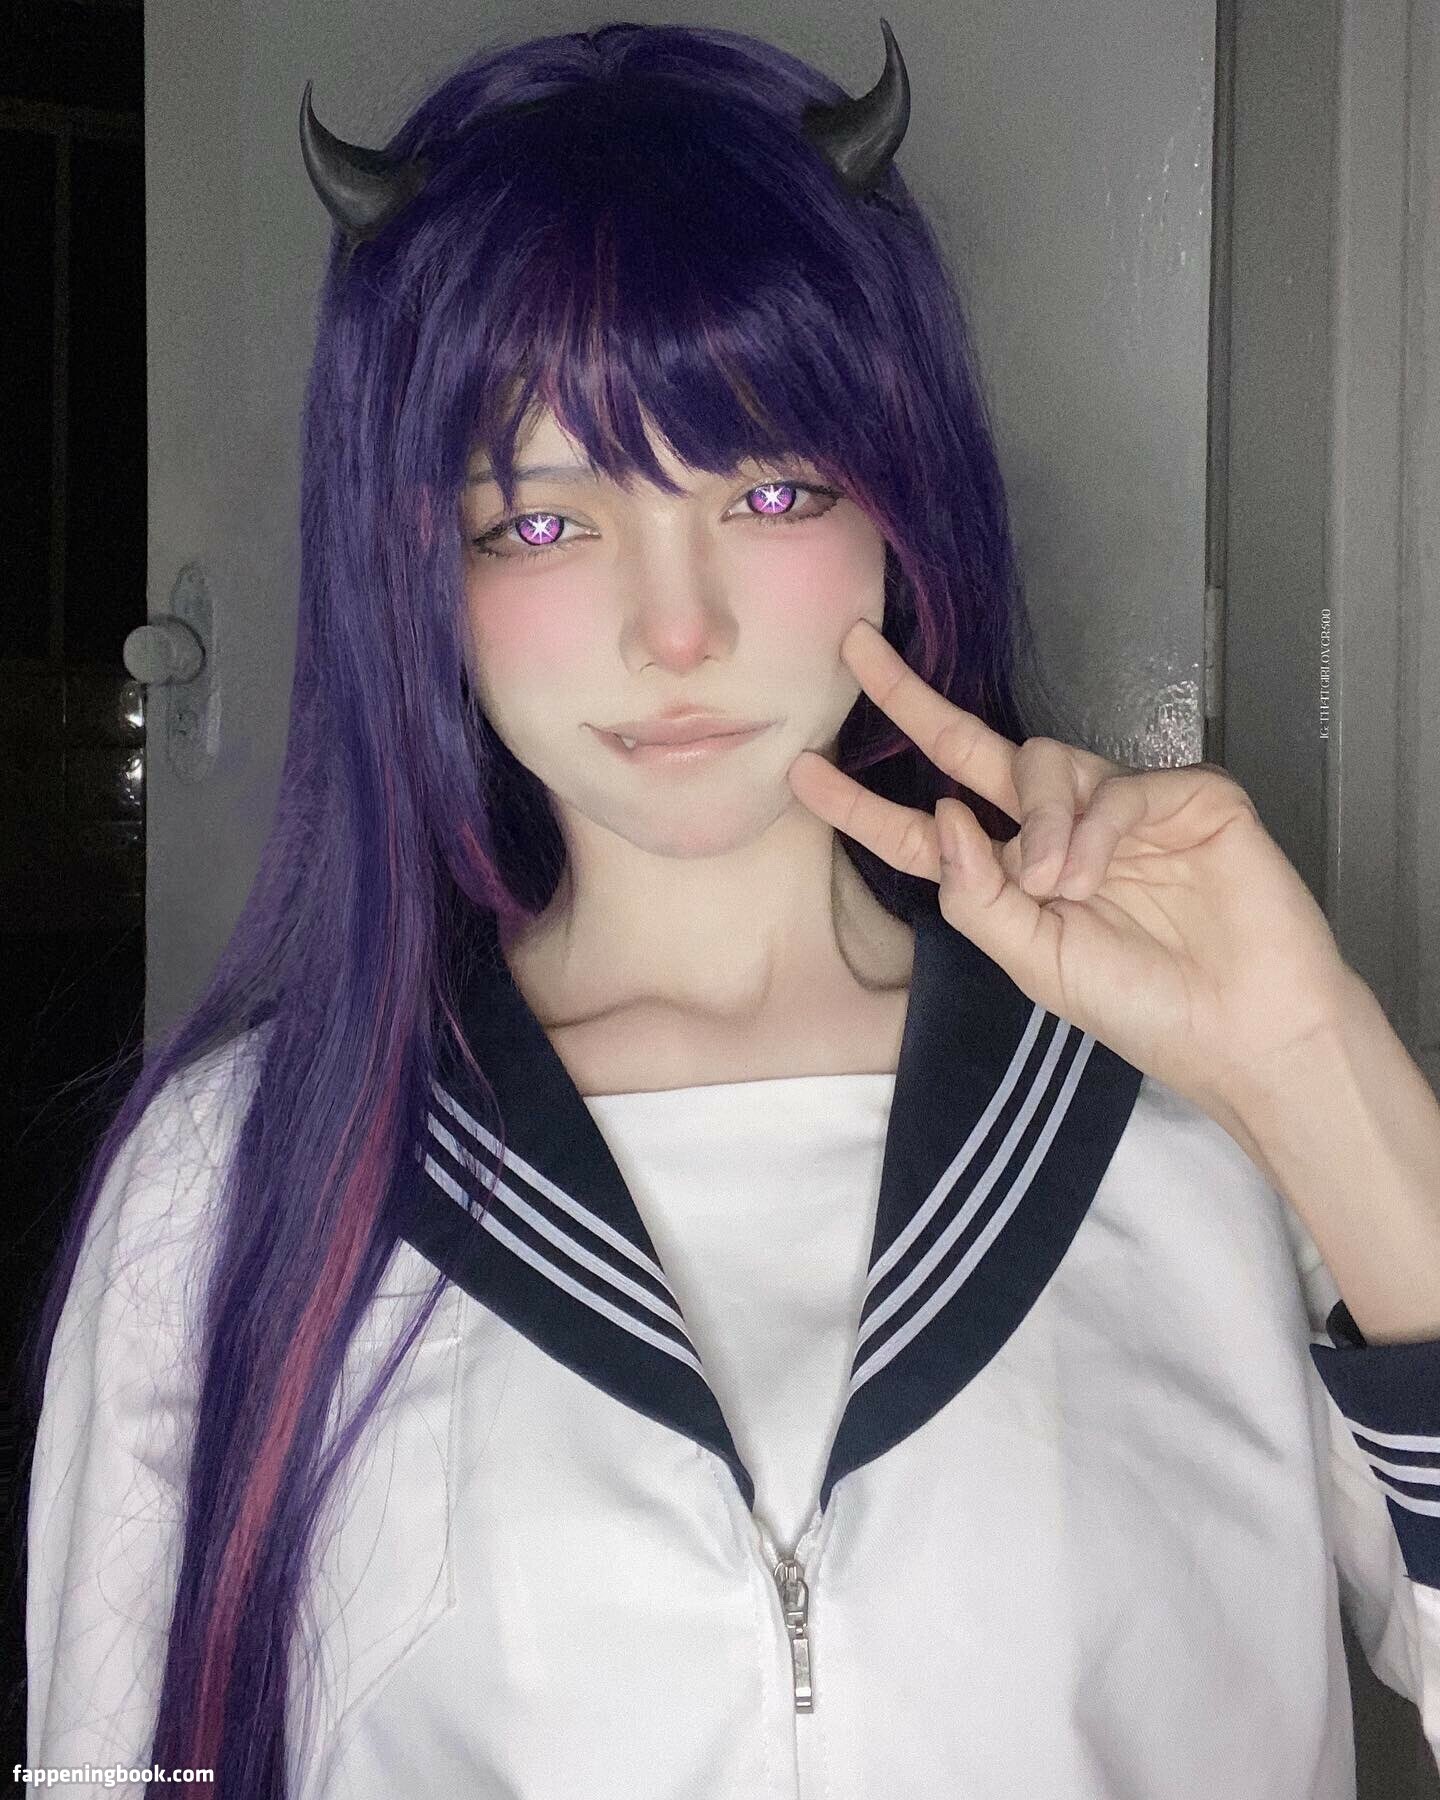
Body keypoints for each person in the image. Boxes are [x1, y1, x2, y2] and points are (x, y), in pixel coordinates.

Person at [22, 19, 1440, 1800]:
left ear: (900, 514)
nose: (674, 629)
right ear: (418, 569)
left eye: (770, 491)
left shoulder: (1195, 1114)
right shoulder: (238, 1180)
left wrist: (1308, 1065)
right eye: (542, 523)